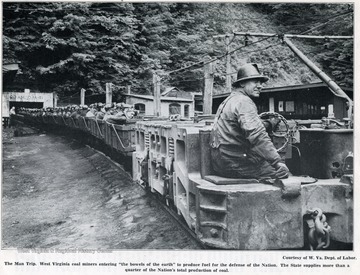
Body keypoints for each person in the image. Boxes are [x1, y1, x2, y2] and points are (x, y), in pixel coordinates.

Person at [210, 63, 289, 180]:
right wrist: (277, 162)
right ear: (242, 83)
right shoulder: (244, 102)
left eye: (261, 83)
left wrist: (269, 123)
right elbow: (257, 135)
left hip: (220, 162)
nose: (260, 86)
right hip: (236, 164)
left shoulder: (229, 100)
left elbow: (241, 126)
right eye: (255, 82)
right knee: (285, 176)